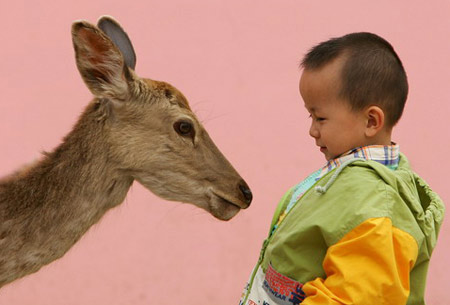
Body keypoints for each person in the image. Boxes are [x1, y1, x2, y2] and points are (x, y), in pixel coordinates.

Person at [239, 32, 445, 305]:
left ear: (371, 121)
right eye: (310, 116)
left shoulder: (377, 205)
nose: (312, 130)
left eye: (320, 117)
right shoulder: (348, 177)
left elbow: (353, 298)